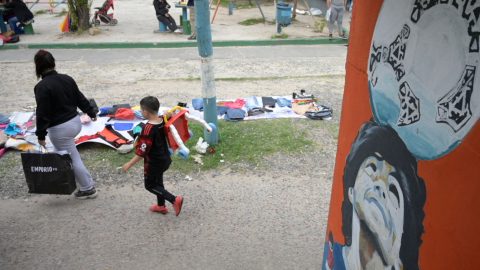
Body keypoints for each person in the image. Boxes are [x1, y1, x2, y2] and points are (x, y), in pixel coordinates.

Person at [322, 120, 426, 270]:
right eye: (372, 167)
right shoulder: (331, 259)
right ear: (352, 191)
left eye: (393, 189)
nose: (380, 182)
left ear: (404, 225)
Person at [33, 49, 98, 199]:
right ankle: (62, 181)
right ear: (54, 63)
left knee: (71, 157)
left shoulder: (42, 87)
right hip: (75, 122)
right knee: (62, 154)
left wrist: (41, 135)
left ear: (38, 66)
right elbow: (80, 98)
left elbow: (42, 113)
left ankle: (88, 188)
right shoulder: (67, 79)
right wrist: (91, 112)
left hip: (60, 129)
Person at [122, 96, 184, 216]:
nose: (140, 111)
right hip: (165, 159)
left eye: (140, 110)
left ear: (145, 112)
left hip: (154, 163)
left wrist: (129, 164)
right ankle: (161, 206)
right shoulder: (163, 120)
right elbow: (169, 115)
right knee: (158, 182)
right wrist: (168, 113)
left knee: (150, 185)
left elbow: (142, 152)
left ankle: (174, 200)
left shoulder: (147, 129)